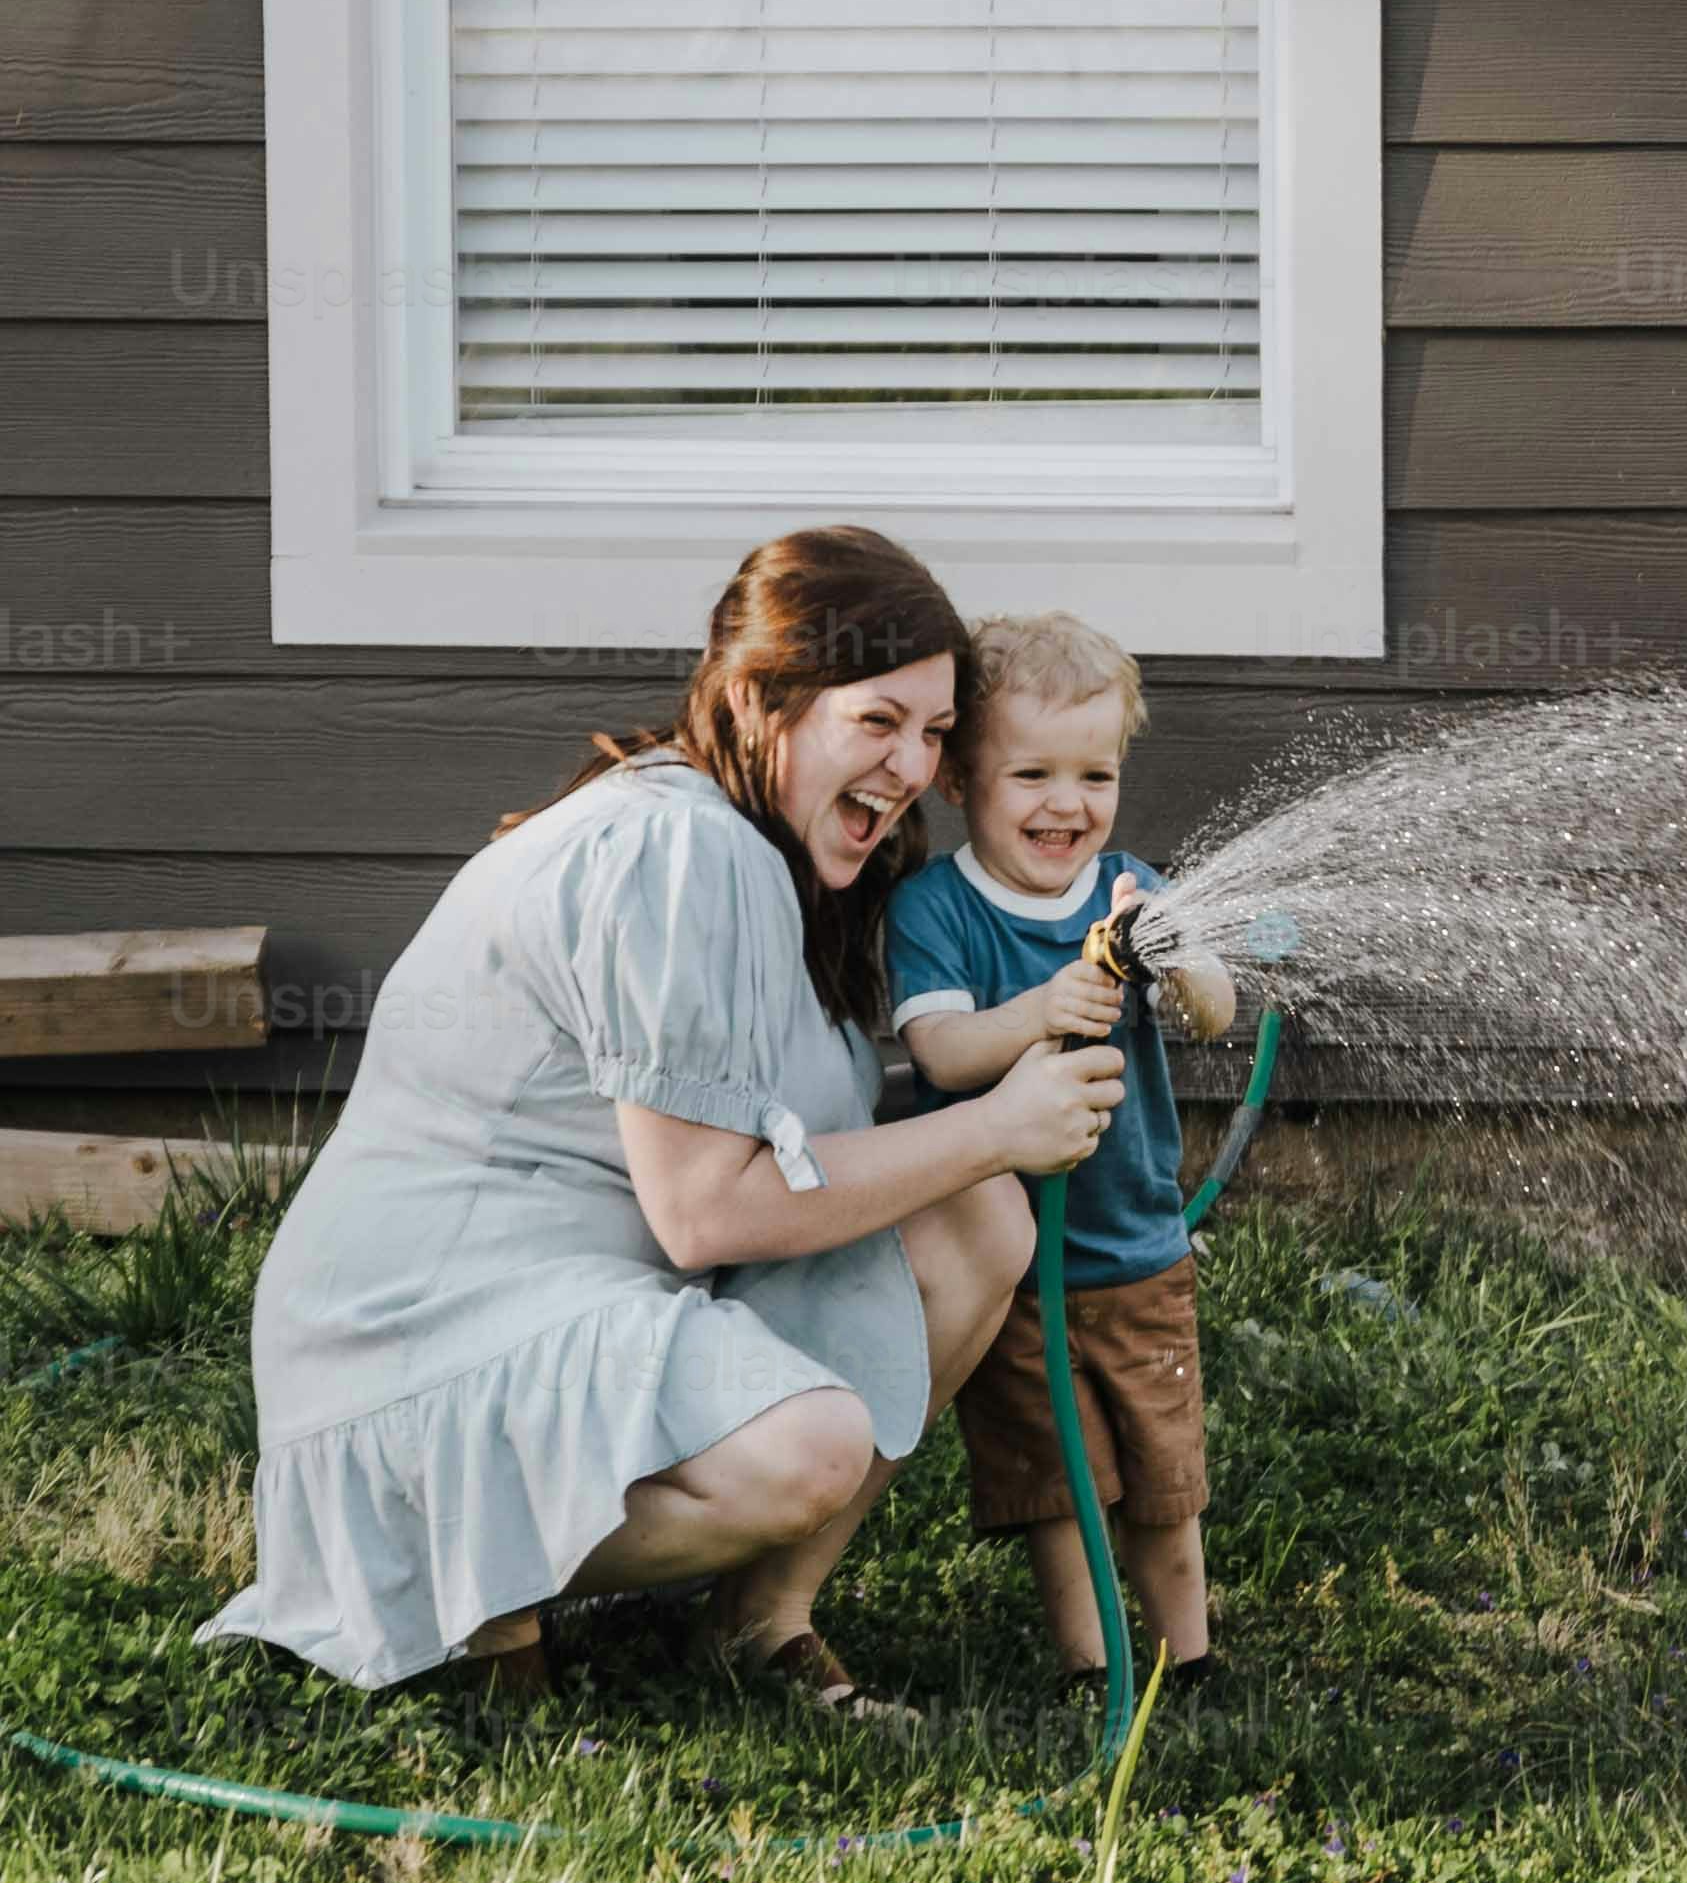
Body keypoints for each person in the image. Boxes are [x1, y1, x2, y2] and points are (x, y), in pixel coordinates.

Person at [205, 530, 1122, 1712]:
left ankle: (760, 1623)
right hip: (419, 1340)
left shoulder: (770, 854)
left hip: (580, 1292)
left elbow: (784, 1151)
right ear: (763, 699)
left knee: (975, 1220)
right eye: (879, 719)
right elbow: (704, 1211)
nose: (909, 766)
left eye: (936, 733)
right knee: (812, 1444)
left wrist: (992, 1118)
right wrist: (998, 1127)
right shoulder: (676, 848)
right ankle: (455, 1576)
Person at [887, 613, 1240, 1692]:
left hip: (1138, 1250)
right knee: (1063, 1486)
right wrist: (1040, 1007)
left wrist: (1173, 953)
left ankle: (1192, 1658)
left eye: (1096, 773)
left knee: (1166, 1484)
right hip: (1021, 1274)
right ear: (960, 778)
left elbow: (1219, 1012)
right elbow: (942, 1050)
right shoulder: (936, 908)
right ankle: (1092, 1669)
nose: (1066, 803)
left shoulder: (1132, 887)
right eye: (1031, 772)